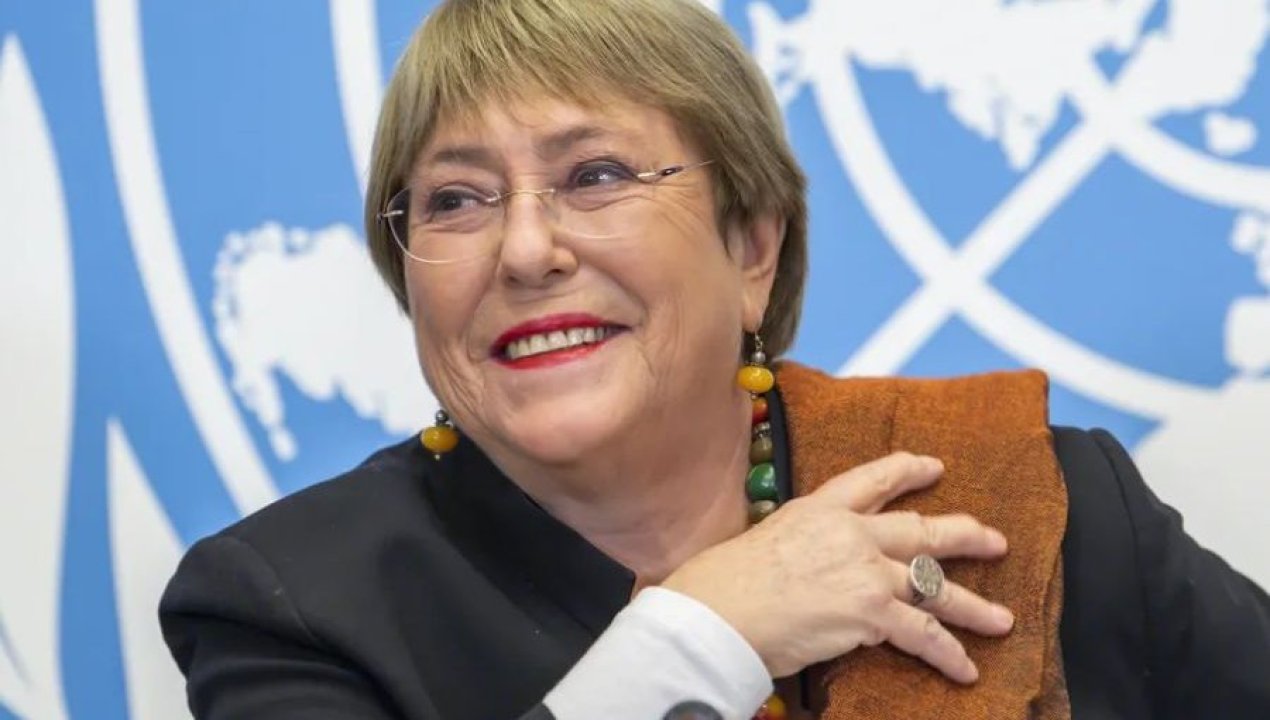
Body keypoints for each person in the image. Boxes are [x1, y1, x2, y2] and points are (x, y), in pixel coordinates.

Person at [158, 1, 1270, 718]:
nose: (527, 250)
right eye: (456, 200)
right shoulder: (292, 610)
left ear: (750, 248)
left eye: (595, 176)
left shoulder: (1029, 498)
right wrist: (704, 637)